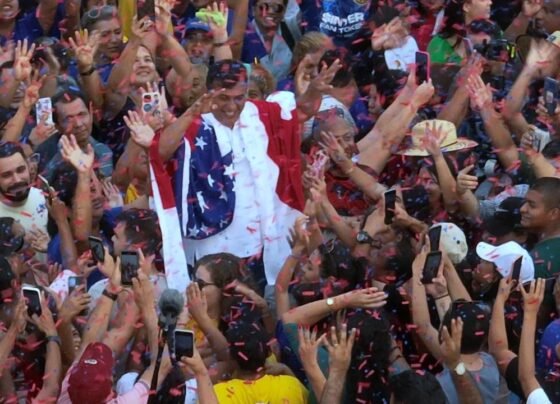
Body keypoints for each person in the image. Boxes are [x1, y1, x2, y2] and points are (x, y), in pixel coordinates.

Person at [0, 142, 48, 234]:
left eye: (21, 170)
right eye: (6, 175)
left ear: (29, 168)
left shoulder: (41, 196)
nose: (17, 180)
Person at [520, 177, 560, 277]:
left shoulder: (537, 263)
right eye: (525, 202)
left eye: (532, 205)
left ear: (553, 213)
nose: (522, 209)